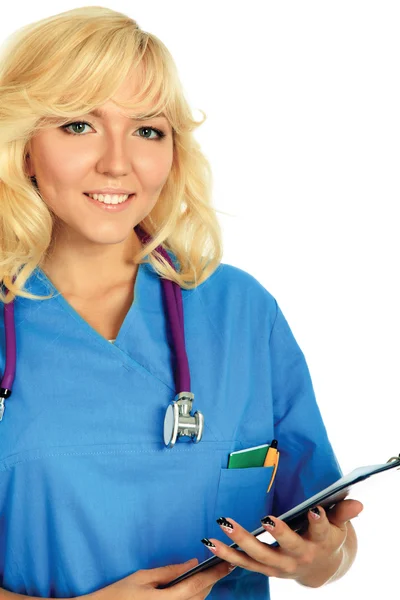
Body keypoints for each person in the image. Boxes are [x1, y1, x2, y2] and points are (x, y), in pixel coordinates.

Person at [0, 6, 363, 600]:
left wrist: (319, 560)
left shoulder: (241, 312)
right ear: (22, 146)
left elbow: (328, 541)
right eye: (77, 125)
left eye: (148, 130)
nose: (118, 162)